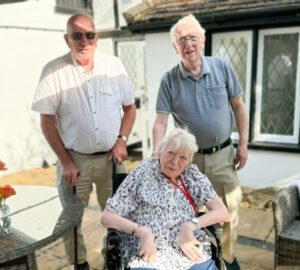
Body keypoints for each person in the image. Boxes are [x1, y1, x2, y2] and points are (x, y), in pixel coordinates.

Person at [31, 12, 136, 270]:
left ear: (97, 37)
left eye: (89, 35)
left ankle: (113, 261)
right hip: (74, 162)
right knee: (71, 220)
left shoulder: (114, 67)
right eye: (76, 35)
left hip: (112, 160)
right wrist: (66, 162)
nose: (83, 41)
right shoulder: (53, 71)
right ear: (67, 39)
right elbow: (47, 121)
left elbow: (130, 109)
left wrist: (122, 139)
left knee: (117, 216)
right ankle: (80, 264)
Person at [152, 14, 248, 270]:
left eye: (192, 37)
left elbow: (239, 107)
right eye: (181, 40)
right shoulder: (168, 80)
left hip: (222, 156)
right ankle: (197, 261)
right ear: (175, 47)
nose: (188, 44)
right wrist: (155, 154)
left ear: (202, 40)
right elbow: (161, 121)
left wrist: (244, 144)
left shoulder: (221, 67)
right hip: (187, 161)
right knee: (187, 214)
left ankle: (227, 260)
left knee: (229, 210)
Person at [101, 128, 229, 270]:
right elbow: (107, 217)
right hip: (149, 256)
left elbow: (222, 212)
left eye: (183, 157)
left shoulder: (192, 175)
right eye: (171, 153)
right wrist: (143, 232)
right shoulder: (143, 172)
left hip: (190, 255)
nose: (175, 162)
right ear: (160, 150)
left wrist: (190, 226)